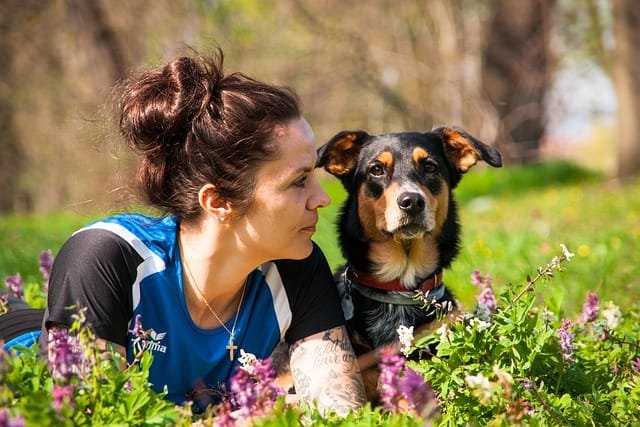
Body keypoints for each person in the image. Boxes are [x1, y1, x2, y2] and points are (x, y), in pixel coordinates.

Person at [41, 48, 366, 414]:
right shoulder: (105, 258)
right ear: (219, 201)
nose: (322, 199)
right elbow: (89, 417)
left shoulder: (296, 267)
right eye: (298, 181)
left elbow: (341, 415)